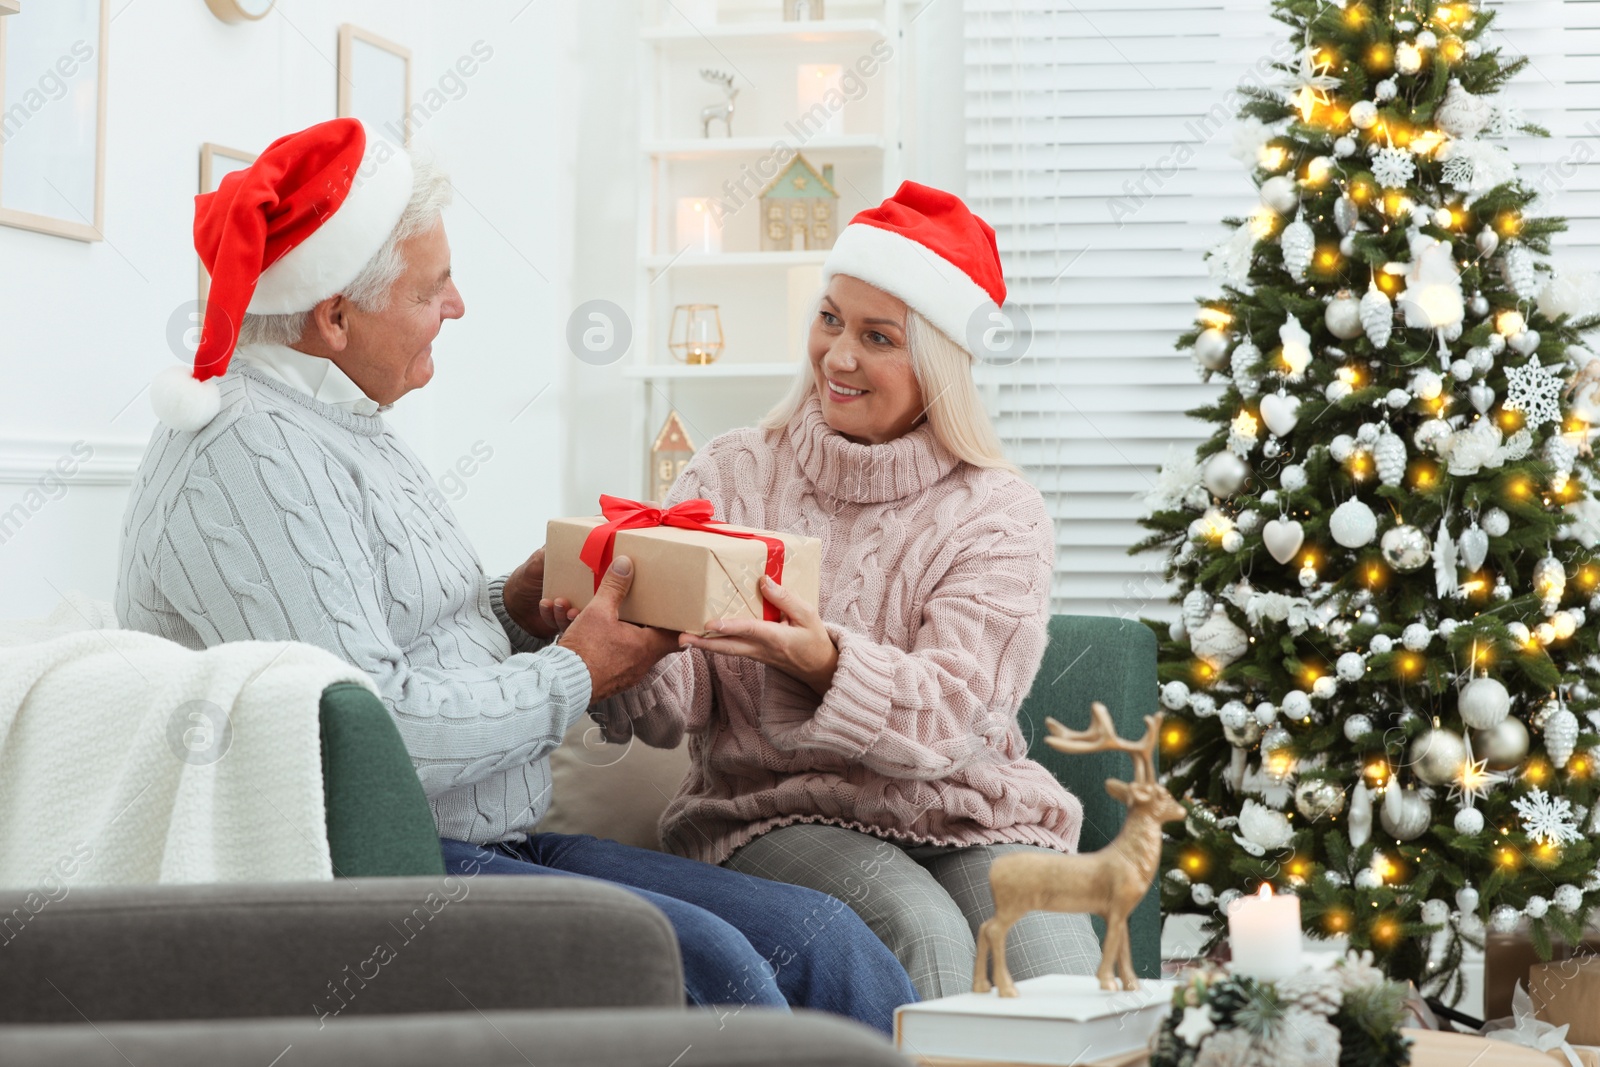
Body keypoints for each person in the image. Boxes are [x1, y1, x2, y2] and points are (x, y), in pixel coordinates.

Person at [115, 118, 915, 1031]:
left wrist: (517, 607)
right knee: (717, 971)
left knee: (826, 938)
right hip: (384, 870)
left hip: (489, 839)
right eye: (433, 288)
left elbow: (405, 639)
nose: (457, 307)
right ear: (334, 317)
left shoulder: (343, 419)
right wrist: (579, 669)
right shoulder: (248, 453)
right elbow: (379, 737)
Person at [572, 182, 1099, 1000]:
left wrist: (825, 664)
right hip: (770, 810)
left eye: (877, 336)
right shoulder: (735, 471)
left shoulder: (998, 511)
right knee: (921, 932)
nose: (838, 356)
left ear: (939, 366)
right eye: (829, 320)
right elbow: (679, 701)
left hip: (966, 811)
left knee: (1056, 976)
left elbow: (957, 716)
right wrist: (617, 648)